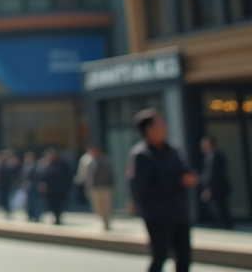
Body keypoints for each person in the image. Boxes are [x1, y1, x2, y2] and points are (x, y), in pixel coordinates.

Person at [129, 108, 196, 272]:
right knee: (160, 256)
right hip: (157, 215)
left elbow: (184, 171)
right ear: (148, 130)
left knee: (184, 258)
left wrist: (189, 177)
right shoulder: (141, 155)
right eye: (160, 124)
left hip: (179, 212)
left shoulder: (173, 150)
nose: (165, 127)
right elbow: (144, 188)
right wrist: (179, 182)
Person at [199, 136, 232, 229]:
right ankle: (224, 224)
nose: (202, 146)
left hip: (218, 187)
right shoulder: (215, 155)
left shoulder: (214, 156)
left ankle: (224, 225)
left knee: (221, 208)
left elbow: (214, 174)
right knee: (221, 208)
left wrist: (208, 188)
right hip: (219, 187)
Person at [84, 144, 116, 230]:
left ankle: (106, 221)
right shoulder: (88, 162)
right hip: (94, 187)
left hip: (105, 186)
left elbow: (110, 174)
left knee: (107, 206)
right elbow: (87, 176)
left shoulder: (105, 161)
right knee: (97, 206)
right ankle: (102, 220)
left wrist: (111, 184)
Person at [38, 148, 72, 225]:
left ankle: (58, 217)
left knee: (59, 204)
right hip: (50, 189)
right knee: (51, 204)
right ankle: (55, 217)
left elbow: (67, 176)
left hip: (59, 188)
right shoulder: (46, 165)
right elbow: (43, 176)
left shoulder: (62, 164)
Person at [20, 151, 41, 222]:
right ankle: (30, 215)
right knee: (27, 203)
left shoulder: (36, 166)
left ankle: (36, 216)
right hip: (27, 187)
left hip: (34, 187)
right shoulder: (25, 167)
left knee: (35, 202)